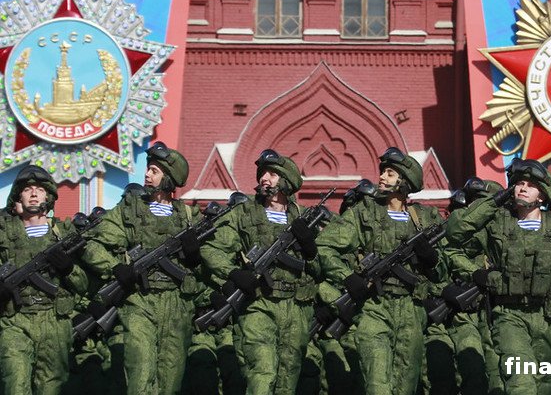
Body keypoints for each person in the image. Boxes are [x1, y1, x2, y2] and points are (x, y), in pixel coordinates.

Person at [446, 159, 551, 394]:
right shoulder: (497, 221)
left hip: (549, 317)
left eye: (531, 185)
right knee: (521, 382)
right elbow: (455, 233)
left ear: (542, 195)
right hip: (509, 315)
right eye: (519, 183)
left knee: (545, 385)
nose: (523, 188)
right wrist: (474, 272)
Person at [79, 141, 204, 394]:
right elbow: (91, 243)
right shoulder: (130, 210)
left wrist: (195, 256)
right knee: (141, 371)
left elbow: (213, 257)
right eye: (148, 169)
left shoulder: (190, 217)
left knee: (170, 379)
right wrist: (115, 267)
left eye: (154, 171)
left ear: (169, 177)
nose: (147, 175)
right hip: (139, 300)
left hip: (178, 303)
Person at [317, 147, 443, 394]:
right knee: (377, 384)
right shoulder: (364, 213)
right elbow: (324, 246)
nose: (382, 177)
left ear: (404, 181)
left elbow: (443, 268)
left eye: (390, 173)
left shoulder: (424, 218)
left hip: (412, 308)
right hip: (374, 307)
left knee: (406, 386)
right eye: (383, 172)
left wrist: (432, 259)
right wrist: (347, 277)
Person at [204, 149, 321, 394]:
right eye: (262, 174)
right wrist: (233, 273)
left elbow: (322, 267)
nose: (264, 178)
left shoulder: (302, 218)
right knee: (262, 373)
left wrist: (311, 250)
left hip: (295, 306)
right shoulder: (244, 212)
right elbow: (211, 247)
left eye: (272, 174)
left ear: (286, 181)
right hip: (257, 304)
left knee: (287, 379)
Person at [0, 165, 88, 394]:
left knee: (51, 387)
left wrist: (69, 269)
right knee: (15, 385)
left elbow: (83, 286)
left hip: (54, 321)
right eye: (27, 189)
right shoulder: (4, 234)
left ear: (48, 197)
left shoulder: (62, 234)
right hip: (15, 319)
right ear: (18, 196)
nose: (33, 194)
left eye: (39, 190)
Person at [442, 177, 504, 395]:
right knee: (473, 369)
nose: (476, 207)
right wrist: (474, 272)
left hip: (496, 309)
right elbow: (448, 252)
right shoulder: (460, 228)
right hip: (465, 309)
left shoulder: (505, 229)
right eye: (473, 201)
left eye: (482, 201)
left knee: (498, 371)